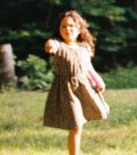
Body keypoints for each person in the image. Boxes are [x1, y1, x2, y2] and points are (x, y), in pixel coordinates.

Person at [43, 10, 110, 155]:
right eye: (63, 26)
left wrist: (98, 80)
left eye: (71, 25)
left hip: (83, 88)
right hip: (66, 90)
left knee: (80, 124)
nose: (67, 29)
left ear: (79, 28)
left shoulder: (84, 48)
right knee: (76, 125)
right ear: (59, 29)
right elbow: (51, 44)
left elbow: (89, 68)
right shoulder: (59, 46)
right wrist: (50, 45)